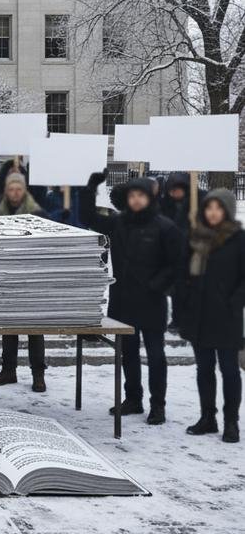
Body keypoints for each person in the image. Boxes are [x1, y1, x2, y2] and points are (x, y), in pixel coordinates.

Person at [81, 172, 183, 425]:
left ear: (149, 198)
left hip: (152, 302)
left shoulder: (164, 227)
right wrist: (90, 188)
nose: (136, 200)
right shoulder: (118, 223)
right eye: (132, 196)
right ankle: (133, 399)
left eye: (141, 196)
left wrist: (157, 286)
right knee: (128, 353)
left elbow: (176, 265)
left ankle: (157, 405)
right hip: (123, 301)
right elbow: (88, 218)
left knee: (156, 355)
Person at [177, 189, 244, 443]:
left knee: (229, 370)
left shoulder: (239, 239)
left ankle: (231, 422)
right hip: (199, 316)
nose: (213, 213)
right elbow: (184, 274)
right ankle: (208, 417)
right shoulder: (195, 238)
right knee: (204, 369)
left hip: (227, 316)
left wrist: (234, 302)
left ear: (226, 210)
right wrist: (184, 303)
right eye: (209, 208)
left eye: (218, 208)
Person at [0, 171, 49, 392]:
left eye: (18, 189)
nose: (15, 193)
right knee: (9, 327)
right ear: (6, 191)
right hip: (8, 279)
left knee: (35, 329)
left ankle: (38, 374)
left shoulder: (38, 215)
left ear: (24, 191)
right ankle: (8, 370)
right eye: (11, 189)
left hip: (32, 280)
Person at [160, 172, 191, 330]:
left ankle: (183, 318)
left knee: (184, 289)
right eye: (173, 189)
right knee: (172, 289)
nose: (176, 193)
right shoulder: (165, 204)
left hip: (188, 252)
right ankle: (176, 318)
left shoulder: (193, 204)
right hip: (170, 252)